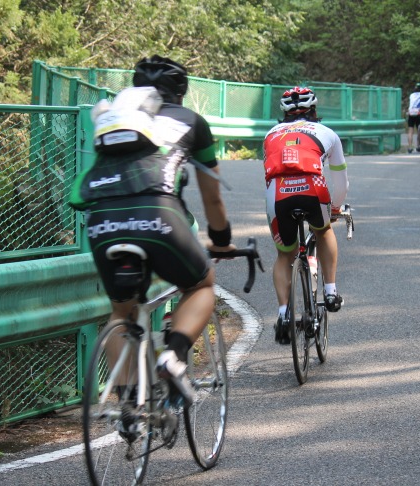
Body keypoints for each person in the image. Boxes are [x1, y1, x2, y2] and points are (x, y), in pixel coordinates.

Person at [70, 55, 235, 403]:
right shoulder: (192, 121)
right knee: (201, 283)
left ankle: (129, 406)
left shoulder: (116, 121)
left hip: (102, 220)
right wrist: (221, 241)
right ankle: (172, 357)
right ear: (182, 92)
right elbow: (213, 200)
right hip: (157, 215)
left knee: (121, 311)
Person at [262, 86, 349, 344]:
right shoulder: (327, 133)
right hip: (313, 188)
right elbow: (341, 183)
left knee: (284, 254)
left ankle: (283, 315)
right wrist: (335, 209)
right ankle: (331, 292)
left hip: (278, 194)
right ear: (314, 110)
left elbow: (268, 175)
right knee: (323, 230)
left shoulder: (270, 134)